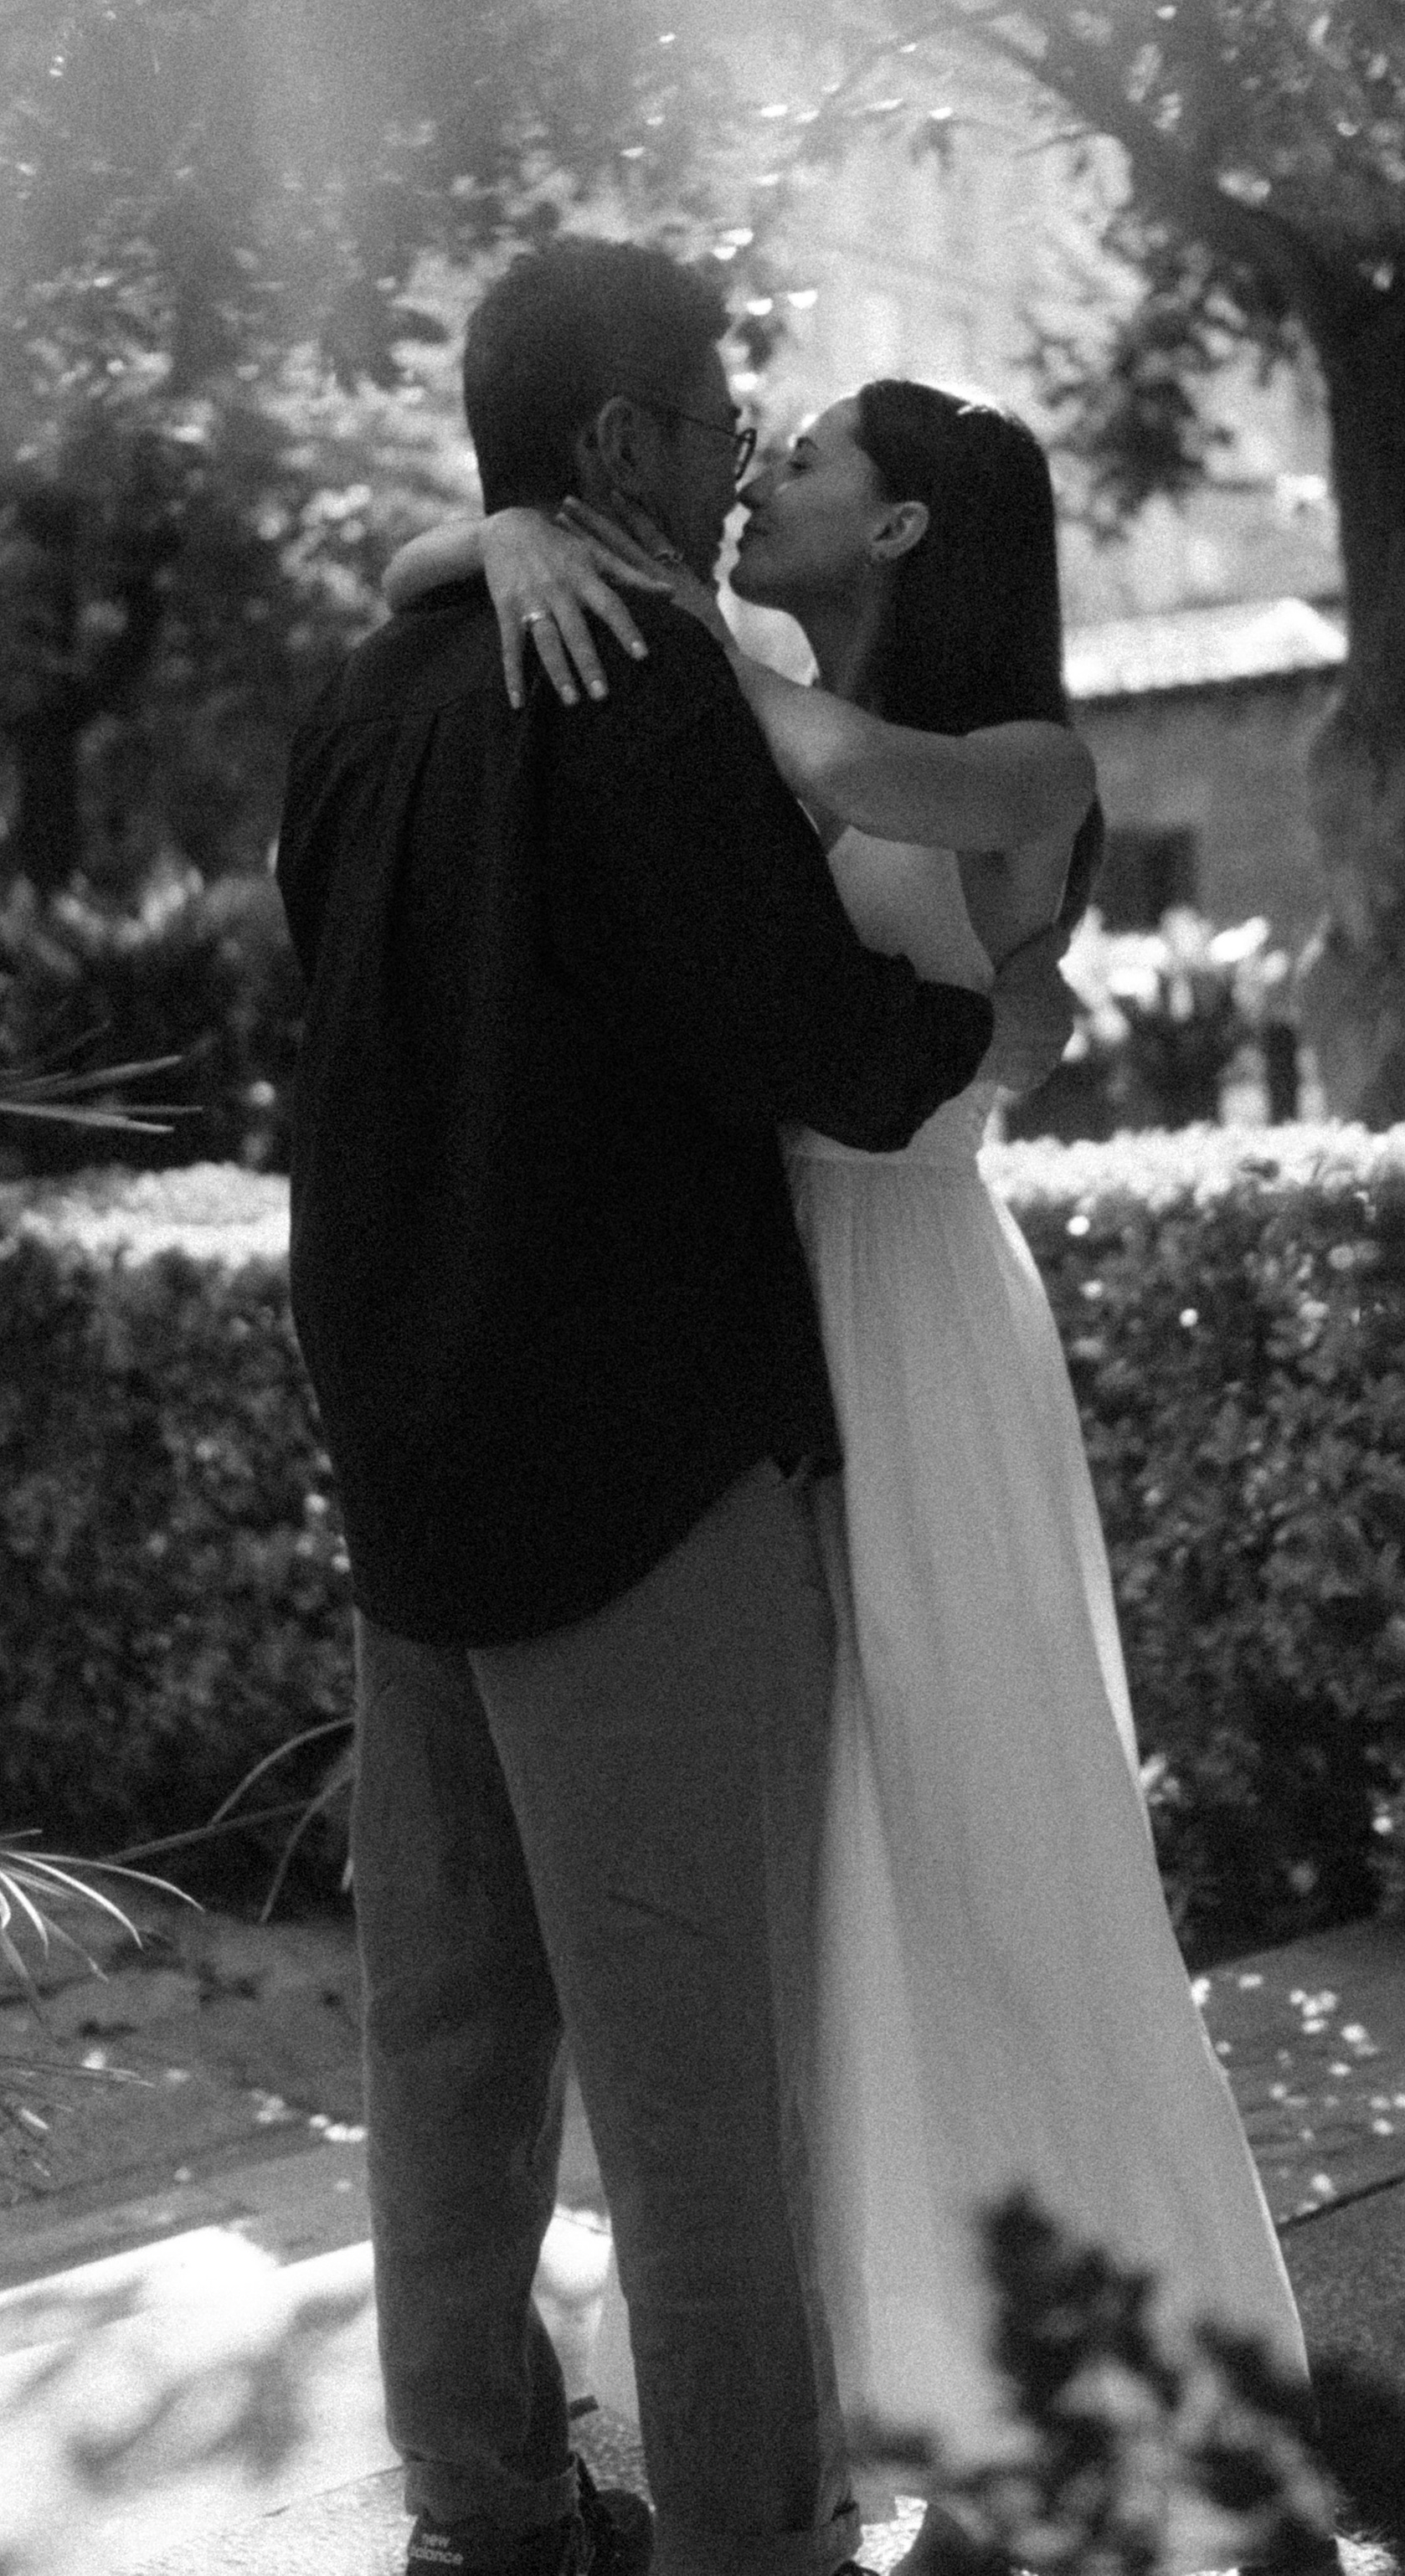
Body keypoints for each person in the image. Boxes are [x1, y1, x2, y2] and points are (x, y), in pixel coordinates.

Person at [388, 380, 1310, 2571]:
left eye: (795, 460)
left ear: (900, 527)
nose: (753, 481)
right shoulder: (749, 667)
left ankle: (1072, 2406)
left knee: (989, 1861)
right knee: (813, 1910)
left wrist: (577, 557)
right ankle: (879, 2392)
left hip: (914, 1315)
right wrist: (500, 546)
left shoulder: (1016, 764)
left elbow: (829, 781)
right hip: (751, 1314)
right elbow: (445, 604)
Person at [276, 245, 1079, 2576]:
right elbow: (808, 1031)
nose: (745, 446)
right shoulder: (641, 688)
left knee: (444, 2054)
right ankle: (755, 2538)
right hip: (640, 1485)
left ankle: (491, 2512)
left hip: (407, 1475)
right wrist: (979, 1050)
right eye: (721, 408)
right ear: (620, 446)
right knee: (704, 2088)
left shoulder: (358, 697)